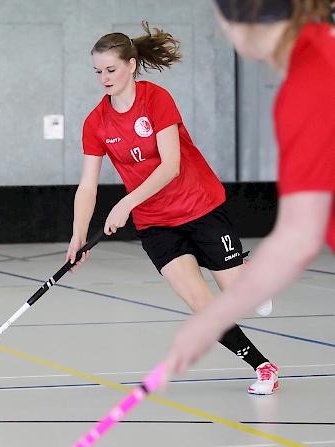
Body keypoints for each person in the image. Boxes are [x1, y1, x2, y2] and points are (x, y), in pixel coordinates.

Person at [67, 23, 278, 394]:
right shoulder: (96, 123)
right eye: (98, 71)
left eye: (111, 69)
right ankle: (262, 366)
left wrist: (128, 202)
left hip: (199, 206)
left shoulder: (156, 99)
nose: (104, 78)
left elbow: (171, 166)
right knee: (201, 302)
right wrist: (78, 235)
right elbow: (87, 186)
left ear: (131, 65)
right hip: (156, 224)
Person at [167, 0, 334, 375]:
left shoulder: (309, 87)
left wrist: (209, 322)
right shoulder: (322, 49)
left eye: (222, 22)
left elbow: (298, 237)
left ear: (246, 21)